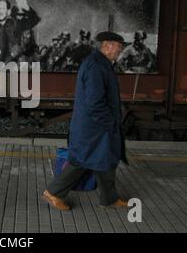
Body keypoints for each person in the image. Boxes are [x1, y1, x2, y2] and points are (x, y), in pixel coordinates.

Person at [42, 31, 129, 211]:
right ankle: (54, 192)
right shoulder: (96, 66)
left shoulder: (102, 63)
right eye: (119, 47)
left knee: (105, 159)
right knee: (82, 161)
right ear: (107, 45)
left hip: (96, 126)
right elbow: (94, 102)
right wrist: (110, 122)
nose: (120, 51)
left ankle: (110, 198)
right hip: (94, 127)